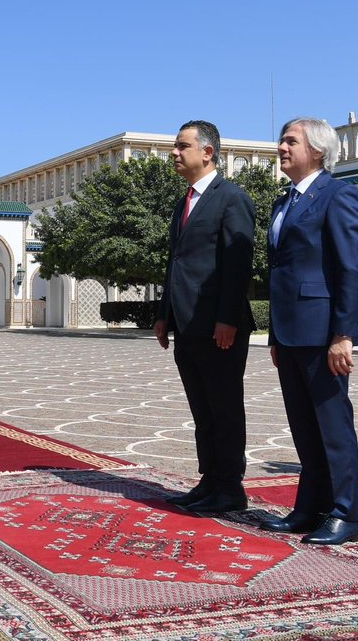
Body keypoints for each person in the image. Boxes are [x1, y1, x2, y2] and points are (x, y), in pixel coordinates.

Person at [260, 117, 358, 546]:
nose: (282, 147)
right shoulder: (283, 200)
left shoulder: (339, 195)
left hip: (323, 332)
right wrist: (273, 333)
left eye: (291, 141)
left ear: (318, 150)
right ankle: (309, 507)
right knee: (304, 426)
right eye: (282, 140)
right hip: (289, 332)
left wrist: (343, 334)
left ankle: (345, 514)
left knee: (333, 425)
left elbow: (352, 268)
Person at [153, 120, 255, 513]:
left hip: (219, 327)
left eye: (182, 146)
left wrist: (227, 317)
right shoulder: (185, 201)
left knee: (224, 405)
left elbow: (237, 262)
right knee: (202, 407)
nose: (174, 154)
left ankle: (230, 487)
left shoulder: (232, 198)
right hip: (187, 324)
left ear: (207, 152)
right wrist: (164, 315)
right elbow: (174, 264)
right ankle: (209, 478)